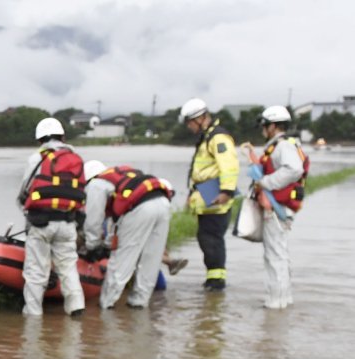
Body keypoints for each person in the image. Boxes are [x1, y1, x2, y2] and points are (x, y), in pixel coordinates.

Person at [15, 117, 86, 316]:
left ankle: (33, 317)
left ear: (40, 140)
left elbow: (25, 191)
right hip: (67, 223)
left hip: (41, 223)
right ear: (63, 136)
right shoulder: (75, 158)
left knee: (36, 272)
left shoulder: (37, 158)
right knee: (68, 268)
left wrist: (25, 208)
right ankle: (76, 309)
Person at [80, 160, 174, 309]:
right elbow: (116, 221)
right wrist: (107, 244)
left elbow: (93, 220)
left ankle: (106, 305)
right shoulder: (122, 176)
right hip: (163, 203)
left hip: (140, 208)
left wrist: (93, 245)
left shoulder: (96, 184)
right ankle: (138, 304)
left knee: (122, 261)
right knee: (151, 260)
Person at [247, 105, 309, 309]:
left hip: (276, 207)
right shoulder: (284, 145)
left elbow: (294, 169)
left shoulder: (283, 146)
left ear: (273, 126)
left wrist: (265, 182)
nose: (263, 129)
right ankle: (283, 300)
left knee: (274, 256)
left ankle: (275, 303)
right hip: (279, 206)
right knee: (279, 255)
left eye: (265, 125)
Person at [179, 98, 240, 292]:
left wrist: (226, 192)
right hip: (206, 196)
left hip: (216, 198)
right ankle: (213, 279)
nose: (189, 127)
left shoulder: (218, 137)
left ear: (201, 118)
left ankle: (216, 282)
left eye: (190, 123)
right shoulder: (207, 138)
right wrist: (191, 194)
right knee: (206, 238)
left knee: (211, 239)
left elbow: (229, 166)